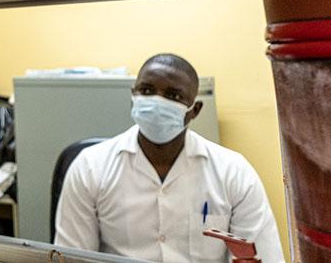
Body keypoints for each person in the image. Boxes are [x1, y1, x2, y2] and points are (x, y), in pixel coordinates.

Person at [55, 54, 284, 263]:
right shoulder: (90, 167)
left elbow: (262, 257)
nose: (157, 101)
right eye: (146, 90)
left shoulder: (234, 173)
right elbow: (71, 258)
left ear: (194, 110)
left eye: (173, 95)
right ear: (132, 96)